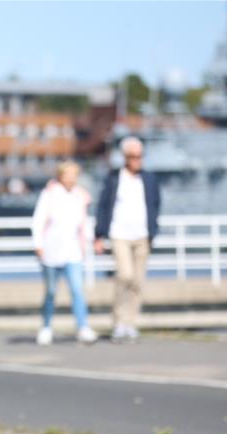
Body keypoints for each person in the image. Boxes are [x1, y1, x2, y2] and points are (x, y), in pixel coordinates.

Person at [94, 136, 161, 342]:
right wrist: (99, 234)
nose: (137, 160)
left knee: (138, 282)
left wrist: (152, 230)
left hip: (142, 235)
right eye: (133, 156)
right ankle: (118, 321)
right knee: (125, 275)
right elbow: (103, 206)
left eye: (140, 156)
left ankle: (130, 323)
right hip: (119, 234)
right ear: (124, 157)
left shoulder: (149, 179)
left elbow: (155, 204)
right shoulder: (114, 178)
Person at [31, 161, 97, 345]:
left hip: (73, 251)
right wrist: (38, 244)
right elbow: (39, 219)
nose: (71, 179)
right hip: (51, 250)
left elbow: (84, 222)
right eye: (68, 175)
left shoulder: (80, 196)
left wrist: (92, 240)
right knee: (51, 292)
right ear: (60, 176)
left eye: (74, 175)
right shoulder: (50, 194)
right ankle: (46, 327)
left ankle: (82, 327)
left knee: (77, 290)